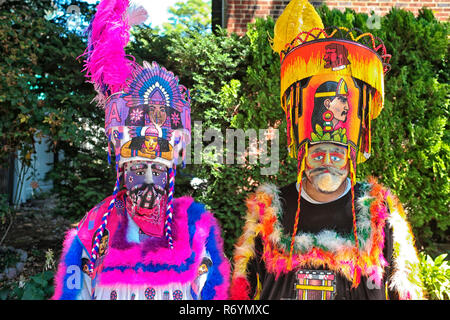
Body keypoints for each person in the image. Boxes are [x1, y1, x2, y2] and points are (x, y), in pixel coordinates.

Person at [230, 0, 424, 300]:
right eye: (318, 154)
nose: (328, 163)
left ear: (351, 158)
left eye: (337, 155)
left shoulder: (380, 210)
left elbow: (404, 287)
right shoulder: (269, 209)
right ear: (302, 156)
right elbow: (240, 290)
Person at [52, 0, 229, 300]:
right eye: (138, 168)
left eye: (158, 169)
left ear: (170, 173)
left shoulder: (195, 227)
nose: (149, 179)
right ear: (122, 170)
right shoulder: (94, 229)